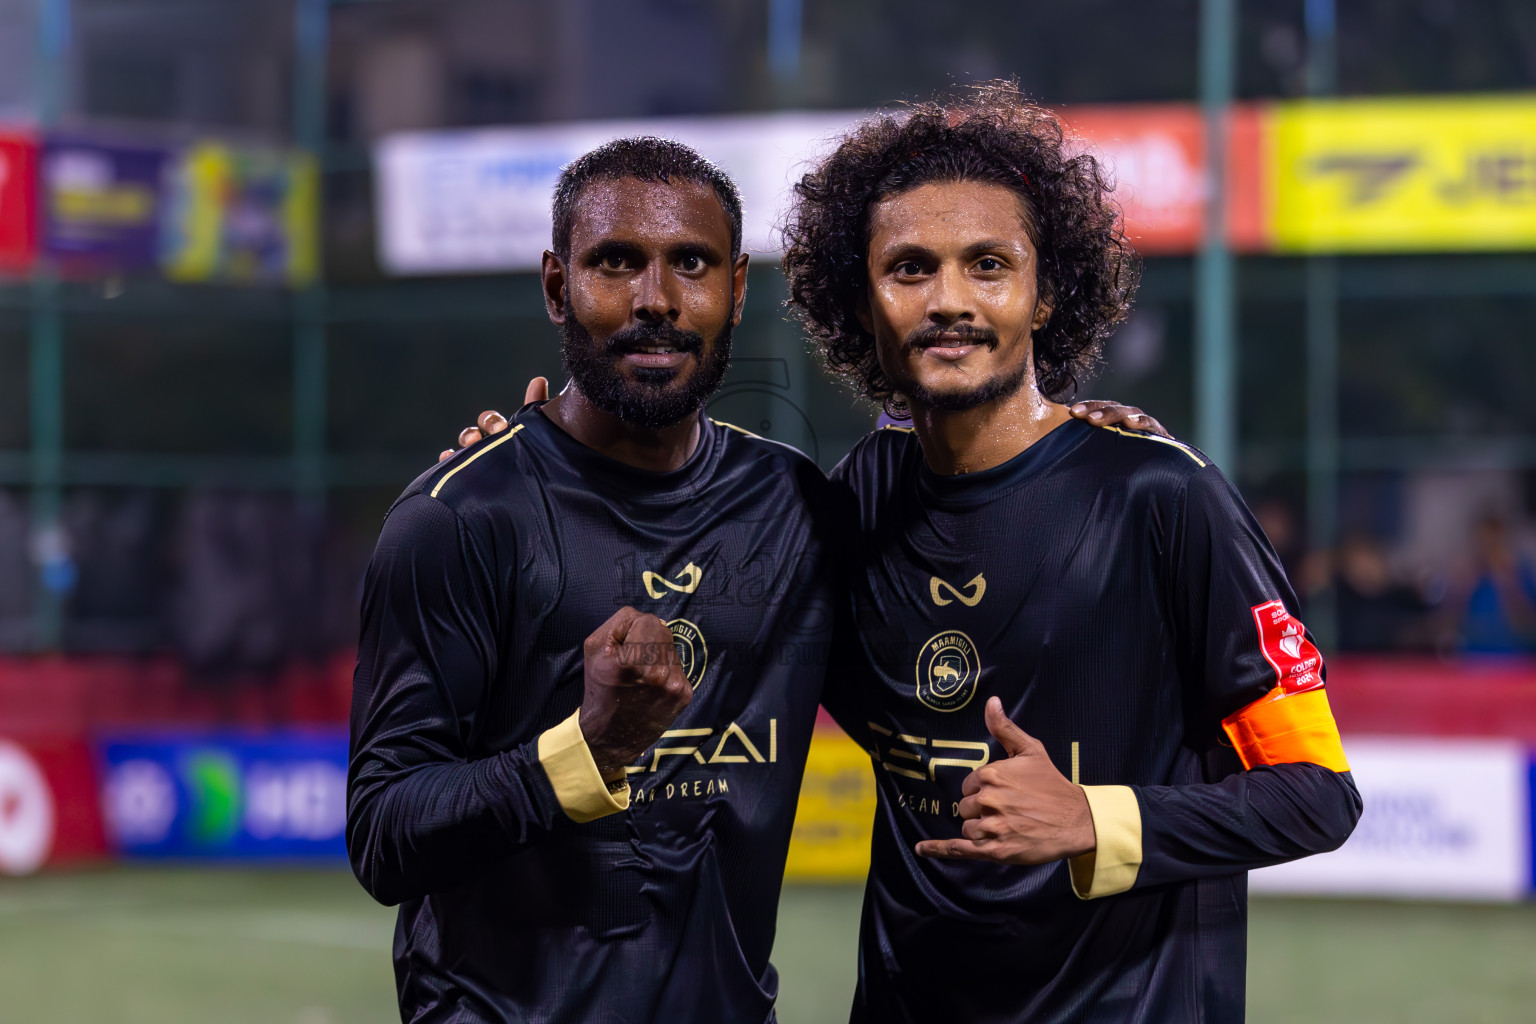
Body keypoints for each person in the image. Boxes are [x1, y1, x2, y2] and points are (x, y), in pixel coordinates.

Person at [775, 81, 1361, 1023]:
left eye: (990, 265)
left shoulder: (1166, 499)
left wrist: (1094, 818)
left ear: (1046, 294)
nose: (950, 301)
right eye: (910, 269)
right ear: (863, 302)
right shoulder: (855, 501)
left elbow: (1318, 797)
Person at [348, 137, 842, 1023]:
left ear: (735, 289)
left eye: (689, 263)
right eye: (616, 262)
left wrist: (1080, 436)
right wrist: (589, 750)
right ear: (555, 287)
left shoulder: (796, 507)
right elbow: (385, 835)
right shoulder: (460, 521)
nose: (655, 298)